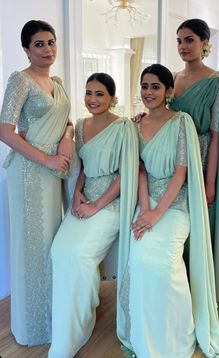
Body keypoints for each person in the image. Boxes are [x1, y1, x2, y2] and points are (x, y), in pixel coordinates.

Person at [117, 64, 219, 358]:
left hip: (176, 204)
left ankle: (178, 335)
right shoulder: (134, 125)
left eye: (156, 86)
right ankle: (146, 337)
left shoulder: (182, 122)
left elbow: (180, 174)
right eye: (144, 86)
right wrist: (145, 210)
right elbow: (141, 172)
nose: (148, 92)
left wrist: (157, 214)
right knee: (140, 256)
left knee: (162, 261)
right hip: (146, 203)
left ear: (169, 91)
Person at [48, 72, 138, 358]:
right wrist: (77, 195)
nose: (92, 99)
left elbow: (126, 175)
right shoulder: (83, 125)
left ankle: (80, 324)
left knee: (78, 256)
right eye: (88, 93)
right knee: (59, 251)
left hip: (110, 204)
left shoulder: (124, 127)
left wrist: (96, 205)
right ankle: (75, 315)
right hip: (84, 199)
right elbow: (85, 166)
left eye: (100, 94)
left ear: (112, 98)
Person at [0, 20, 73, 346]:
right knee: (32, 249)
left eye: (51, 42)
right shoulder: (20, 80)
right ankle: (32, 327)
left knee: (50, 247)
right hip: (30, 174)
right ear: (27, 49)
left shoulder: (57, 82)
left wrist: (67, 138)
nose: (48, 49)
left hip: (54, 171)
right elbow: (5, 131)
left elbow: (67, 122)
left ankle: (52, 318)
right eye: (39, 44)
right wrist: (45, 159)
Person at [171, 18, 219, 320]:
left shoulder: (217, 81)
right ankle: (179, 296)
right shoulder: (174, 78)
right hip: (174, 163)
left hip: (202, 160)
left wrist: (211, 182)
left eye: (190, 40)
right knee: (178, 228)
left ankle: (203, 298)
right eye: (180, 40)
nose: (184, 46)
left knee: (201, 227)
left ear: (205, 43)